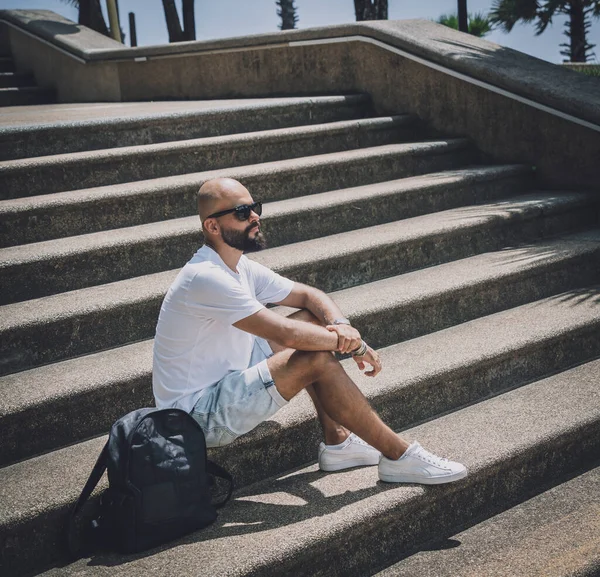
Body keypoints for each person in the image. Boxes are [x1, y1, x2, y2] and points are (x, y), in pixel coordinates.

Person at [152, 178, 467, 484]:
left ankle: (338, 442)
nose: (254, 216)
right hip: (196, 416)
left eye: (254, 207)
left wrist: (343, 328)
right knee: (314, 358)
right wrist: (355, 347)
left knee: (313, 324)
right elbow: (286, 334)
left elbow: (308, 295)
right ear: (212, 226)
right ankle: (399, 456)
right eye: (241, 212)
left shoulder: (237, 265)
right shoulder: (205, 277)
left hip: (228, 378)